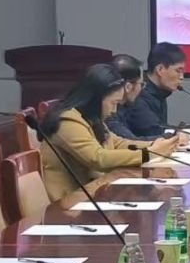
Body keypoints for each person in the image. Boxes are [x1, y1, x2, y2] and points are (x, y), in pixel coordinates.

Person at [38, 63, 179, 200]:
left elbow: (116, 143)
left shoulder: (90, 118)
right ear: (96, 98)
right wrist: (149, 153)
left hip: (93, 192)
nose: (114, 111)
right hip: (69, 201)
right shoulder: (67, 120)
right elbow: (97, 158)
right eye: (113, 103)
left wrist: (157, 145)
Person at [122, 42, 190, 139]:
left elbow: (164, 129)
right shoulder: (139, 94)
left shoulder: (160, 92)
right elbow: (156, 132)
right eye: (178, 71)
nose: (181, 77)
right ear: (160, 70)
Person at [105, 53, 147, 140]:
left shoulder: (126, 106)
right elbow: (131, 142)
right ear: (128, 87)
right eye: (141, 84)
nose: (141, 89)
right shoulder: (108, 112)